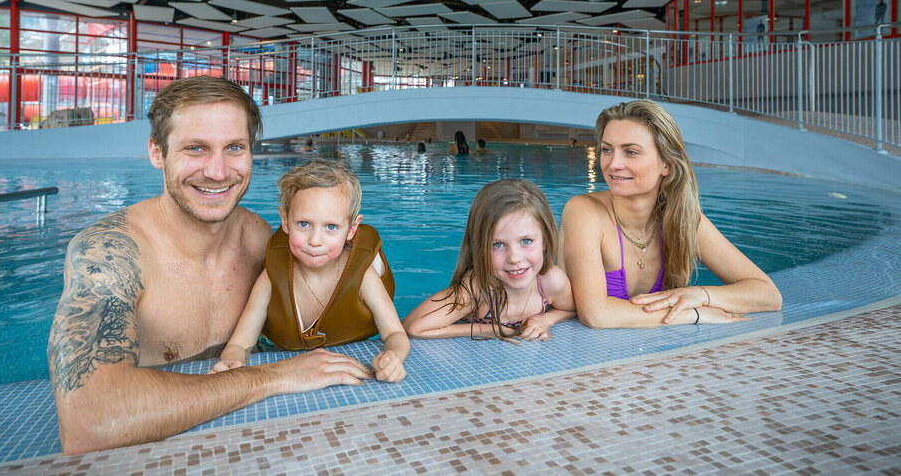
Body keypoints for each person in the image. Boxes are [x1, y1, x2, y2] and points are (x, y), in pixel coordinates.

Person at [47, 77, 373, 455]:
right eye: (196, 148)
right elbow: (89, 421)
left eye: (234, 147)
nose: (218, 172)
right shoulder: (110, 253)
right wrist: (269, 378)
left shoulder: (258, 238)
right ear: (157, 152)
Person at [560, 99, 782, 329]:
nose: (613, 163)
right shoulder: (583, 211)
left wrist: (701, 294)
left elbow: (768, 295)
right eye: (607, 149)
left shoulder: (681, 218)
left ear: (666, 164)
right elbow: (596, 315)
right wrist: (694, 314)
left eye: (631, 152)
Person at [211, 159, 409, 382]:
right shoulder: (272, 278)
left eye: (331, 227)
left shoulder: (364, 277)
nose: (315, 240)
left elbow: (395, 334)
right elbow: (240, 343)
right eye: (304, 224)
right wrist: (231, 363)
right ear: (285, 221)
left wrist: (394, 356)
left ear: (352, 229)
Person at [403, 179, 575, 341]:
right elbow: (412, 327)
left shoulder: (550, 281)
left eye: (526, 241)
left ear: (545, 241)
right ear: (480, 247)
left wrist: (546, 320)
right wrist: (492, 329)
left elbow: (571, 309)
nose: (514, 258)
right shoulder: (478, 291)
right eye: (498, 244)